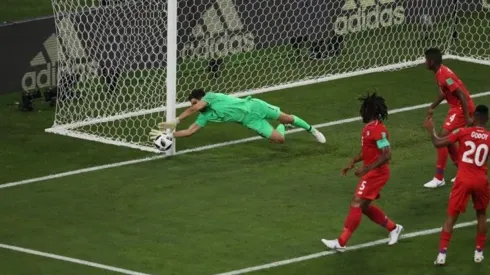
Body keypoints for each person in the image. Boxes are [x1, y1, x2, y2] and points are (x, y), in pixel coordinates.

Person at [321, 93, 403, 251]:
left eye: (364, 109)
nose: (361, 113)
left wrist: (366, 168)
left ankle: (341, 242)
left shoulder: (379, 130)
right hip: (372, 172)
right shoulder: (368, 128)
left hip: (377, 173)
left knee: (356, 202)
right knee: (363, 206)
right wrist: (353, 161)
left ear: (370, 111)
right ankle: (394, 228)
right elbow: (368, 151)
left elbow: (387, 154)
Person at [423, 104, 490, 265]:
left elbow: (439, 143)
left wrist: (431, 130)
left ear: (473, 118)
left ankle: (442, 255)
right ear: (487, 119)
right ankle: (478, 253)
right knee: (481, 215)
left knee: (451, 218)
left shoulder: (463, 132)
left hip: (463, 180)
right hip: (481, 180)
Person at [150, 89, 326, 144]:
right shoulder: (204, 116)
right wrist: (168, 134)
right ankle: (284, 128)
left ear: (201, 99)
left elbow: (192, 111)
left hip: (255, 106)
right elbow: (189, 132)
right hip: (249, 120)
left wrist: (176, 120)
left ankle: (312, 130)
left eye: (194, 102)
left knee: (286, 117)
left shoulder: (210, 96)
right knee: (280, 140)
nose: (193, 106)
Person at [423, 48, 475, 188]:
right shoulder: (439, 72)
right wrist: (432, 106)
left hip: (461, 108)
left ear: (432, 62)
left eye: (426, 60)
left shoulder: (444, 75)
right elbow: (443, 93)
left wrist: (467, 117)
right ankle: (462, 171)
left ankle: (439, 178)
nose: (424, 62)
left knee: (441, 139)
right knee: (448, 139)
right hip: (456, 108)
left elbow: (462, 96)